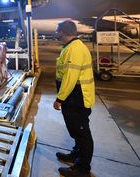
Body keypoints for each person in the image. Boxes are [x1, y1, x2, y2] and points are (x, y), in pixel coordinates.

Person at [53, 20, 95, 177]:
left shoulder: (74, 49)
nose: (56, 33)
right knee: (77, 130)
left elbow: (71, 77)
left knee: (82, 133)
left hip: (77, 97)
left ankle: (82, 169)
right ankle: (76, 156)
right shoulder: (70, 47)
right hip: (74, 96)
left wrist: (60, 99)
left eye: (57, 31)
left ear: (62, 32)